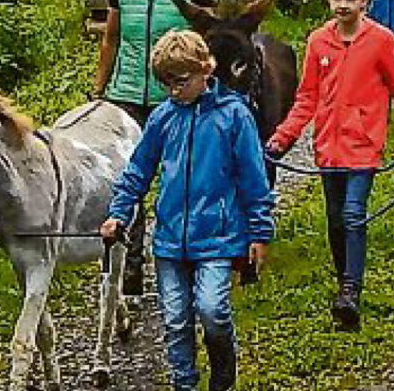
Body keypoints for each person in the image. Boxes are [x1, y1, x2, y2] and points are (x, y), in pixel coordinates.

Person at [100, 30, 274, 391]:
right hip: (169, 241)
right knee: (175, 320)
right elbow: (138, 170)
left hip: (218, 238)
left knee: (212, 311)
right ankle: (185, 383)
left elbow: (254, 178)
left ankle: (223, 371)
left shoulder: (234, 115)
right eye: (165, 84)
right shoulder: (163, 117)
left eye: (180, 81)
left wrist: (260, 232)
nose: (173, 91)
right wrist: (118, 212)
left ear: (205, 70)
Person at [266, 0, 394, 331]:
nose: (342, 5)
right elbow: (306, 98)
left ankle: (351, 290)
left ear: (365, 0)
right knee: (335, 220)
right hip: (327, 149)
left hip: (363, 146)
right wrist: (283, 137)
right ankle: (343, 281)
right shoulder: (319, 41)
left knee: (353, 214)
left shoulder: (382, 41)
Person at [92, 0, 214, 297]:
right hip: (127, 92)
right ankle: (130, 266)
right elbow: (110, 37)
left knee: (179, 174)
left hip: (175, 92)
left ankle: (183, 256)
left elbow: (205, 37)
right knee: (131, 178)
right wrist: (99, 89)